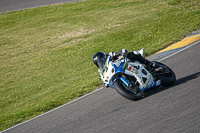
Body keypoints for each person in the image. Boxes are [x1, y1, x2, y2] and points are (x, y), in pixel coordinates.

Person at [93, 49, 157, 71]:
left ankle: (149, 63)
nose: (101, 62)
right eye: (99, 62)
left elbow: (120, 52)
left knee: (131, 54)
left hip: (124, 63)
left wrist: (122, 53)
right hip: (119, 71)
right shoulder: (102, 71)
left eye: (101, 60)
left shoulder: (109, 55)